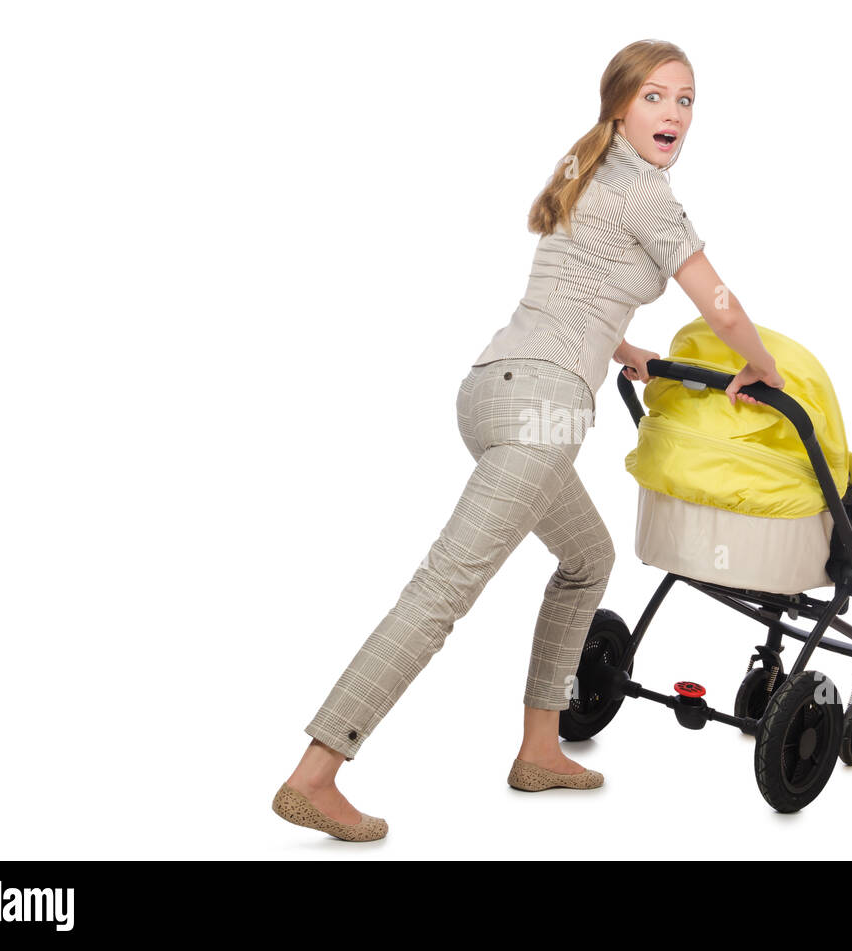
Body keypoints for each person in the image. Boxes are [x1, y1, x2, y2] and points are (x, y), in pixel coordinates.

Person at [272, 39, 785, 841]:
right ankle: (316, 771)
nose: (675, 115)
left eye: (687, 100)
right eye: (657, 97)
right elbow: (718, 300)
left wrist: (628, 351)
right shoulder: (649, 195)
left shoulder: (588, 169)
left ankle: (540, 747)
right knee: (443, 590)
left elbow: (573, 288)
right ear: (621, 104)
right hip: (544, 405)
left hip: (492, 391)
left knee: (588, 558)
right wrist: (766, 368)